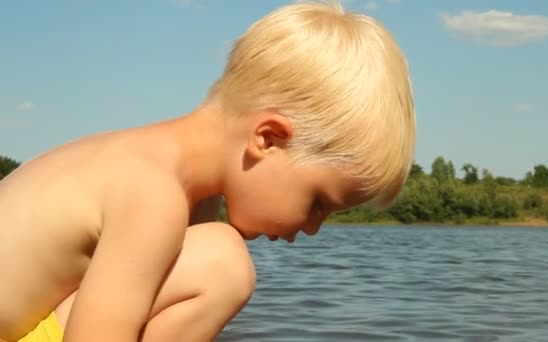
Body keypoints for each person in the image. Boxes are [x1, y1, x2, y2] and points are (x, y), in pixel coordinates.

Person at [0, 1, 416, 341]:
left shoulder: (158, 172)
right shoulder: (152, 194)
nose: (311, 228)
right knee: (223, 265)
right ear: (267, 138)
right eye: (318, 203)